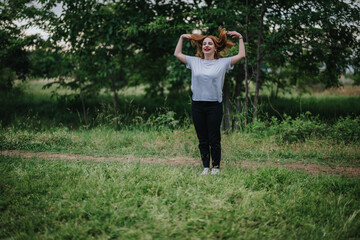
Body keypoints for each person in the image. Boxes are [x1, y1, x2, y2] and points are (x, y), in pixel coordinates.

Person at [174, 28, 245, 175]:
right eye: (204, 43)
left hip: (214, 105)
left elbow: (241, 55)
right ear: (201, 47)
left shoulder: (223, 63)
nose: (206, 45)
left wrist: (240, 39)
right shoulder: (194, 61)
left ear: (215, 47)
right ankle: (206, 167)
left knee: (214, 138)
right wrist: (181, 37)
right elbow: (177, 54)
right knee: (202, 139)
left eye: (210, 44)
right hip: (197, 105)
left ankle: (216, 167)